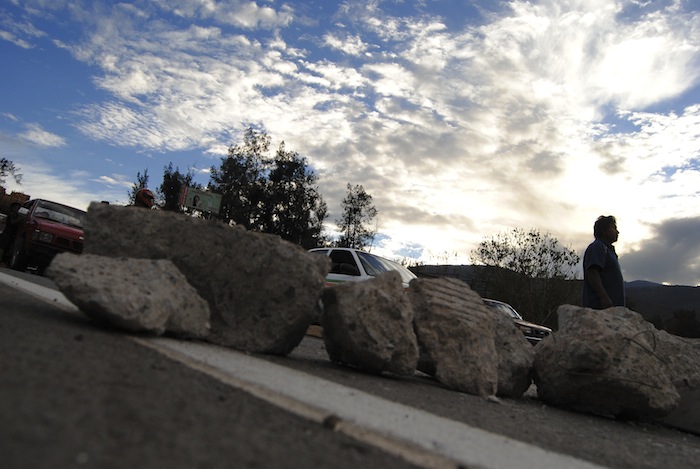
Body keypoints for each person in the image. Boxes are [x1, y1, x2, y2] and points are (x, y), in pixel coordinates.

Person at [582, 215, 625, 309]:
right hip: (600, 307)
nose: (617, 232)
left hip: (613, 307)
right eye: (613, 228)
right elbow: (593, 272)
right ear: (603, 231)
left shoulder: (609, 250)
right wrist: (604, 297)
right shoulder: (598, 246)